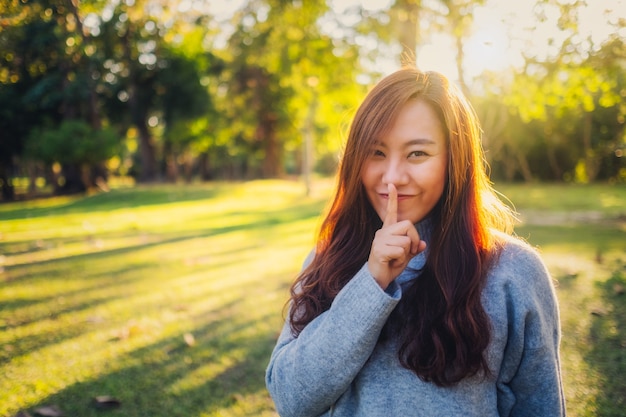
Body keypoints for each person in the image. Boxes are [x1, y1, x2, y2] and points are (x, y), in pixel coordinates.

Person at [265, 67, 565, 417]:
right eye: (376, 152)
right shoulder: (327, 257)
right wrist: (371, 284)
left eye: (417, 154)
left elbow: (540, 407)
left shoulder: (513, 273)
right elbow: (291, 398)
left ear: (455, 161)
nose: (392, 177)